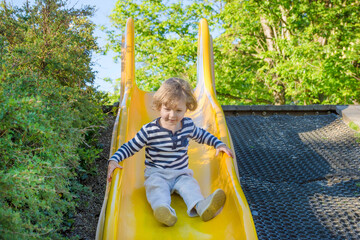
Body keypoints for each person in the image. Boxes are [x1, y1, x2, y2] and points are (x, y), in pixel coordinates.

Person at [107, 77, 234, 227]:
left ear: (187, 108)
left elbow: (202, 135)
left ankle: (201, 207)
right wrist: (114, 159)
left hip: (181, 173)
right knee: (156, 188)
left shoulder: (187, 125)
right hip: (157, 173)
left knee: (190, 186)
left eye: (178, 110)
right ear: (159, 106)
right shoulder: (150, 130)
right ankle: (163, 211)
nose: (172, 115)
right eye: (167, 109)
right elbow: (130, 146)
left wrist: (218, 144)